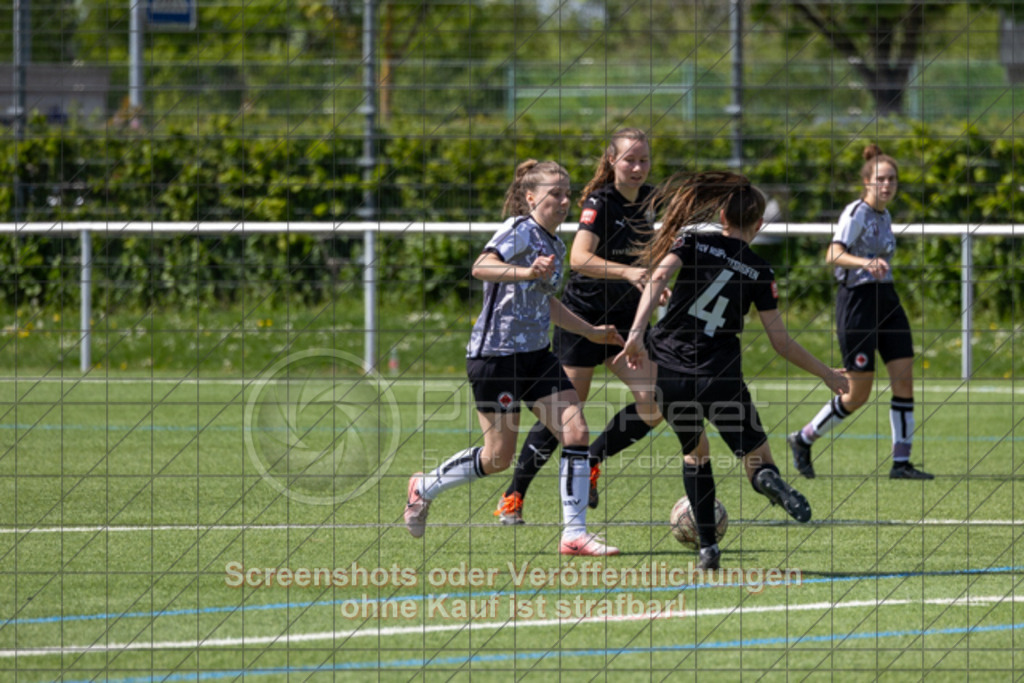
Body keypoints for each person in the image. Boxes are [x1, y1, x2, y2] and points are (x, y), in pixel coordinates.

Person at [617, 171, 849, 570]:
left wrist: (636, 333)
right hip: (720, 375)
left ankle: (708, 549)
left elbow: (659, 277)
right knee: (757, 459)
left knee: (696, 455)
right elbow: (780, 342)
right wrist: (825, 372)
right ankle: (771, 483)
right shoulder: (760, 270)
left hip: (671, 370)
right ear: (758, 225)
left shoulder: (692, 241)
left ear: (722, 215)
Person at [403, 159, 625, 556]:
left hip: (537, 356)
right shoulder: (518, 229)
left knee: (576, 432)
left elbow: (545, 303)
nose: (564, 201)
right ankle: (424, 486)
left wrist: (591, 332)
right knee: (497, 459)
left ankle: (574, 534)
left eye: (567, 193)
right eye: (555, 193)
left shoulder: (556, 244)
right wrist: (526, 272)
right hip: (497, 357)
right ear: (531, 197)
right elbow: (481, 266)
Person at [494, 128, 666, 526]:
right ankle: (513, 495)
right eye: (629, 160)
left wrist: (654, 284)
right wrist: (630, 273)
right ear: (612, 161)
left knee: (656, 402)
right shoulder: (599, 202)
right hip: (584, 319)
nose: (637, 167)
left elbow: (647, 256)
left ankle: (592, 458)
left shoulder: (652, 200)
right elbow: (580, 258)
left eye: (643, 160)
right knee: (564, 416)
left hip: (625, 323)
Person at [787, 144, 933, 481]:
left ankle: (901, 463)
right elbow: (833, 254)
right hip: (858, 304)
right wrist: (866, 262)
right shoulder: (856, 212)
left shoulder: (885, 215)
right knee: (857, 394)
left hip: (887, 300)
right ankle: (803, 438)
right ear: (867, 182)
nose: (887, 184)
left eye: (892, 179)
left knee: (904, 378)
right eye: (881, 179)